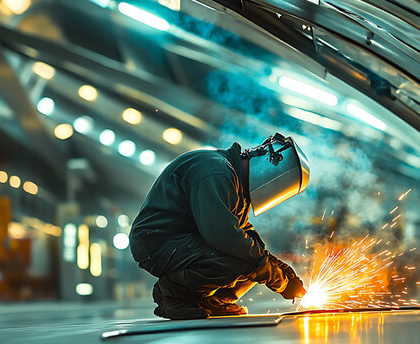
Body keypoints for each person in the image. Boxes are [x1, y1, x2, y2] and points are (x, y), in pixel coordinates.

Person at [129, 133, 309, 319]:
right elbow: (224, 237)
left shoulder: (235, 183)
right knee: (243, 259)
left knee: (254, 257)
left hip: (180, 239)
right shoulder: (217, 173)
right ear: (270, 161)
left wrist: (277, 267)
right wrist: (277, 280)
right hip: (157, 241)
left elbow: (246, 239)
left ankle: (212, 301)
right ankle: (174, 294)